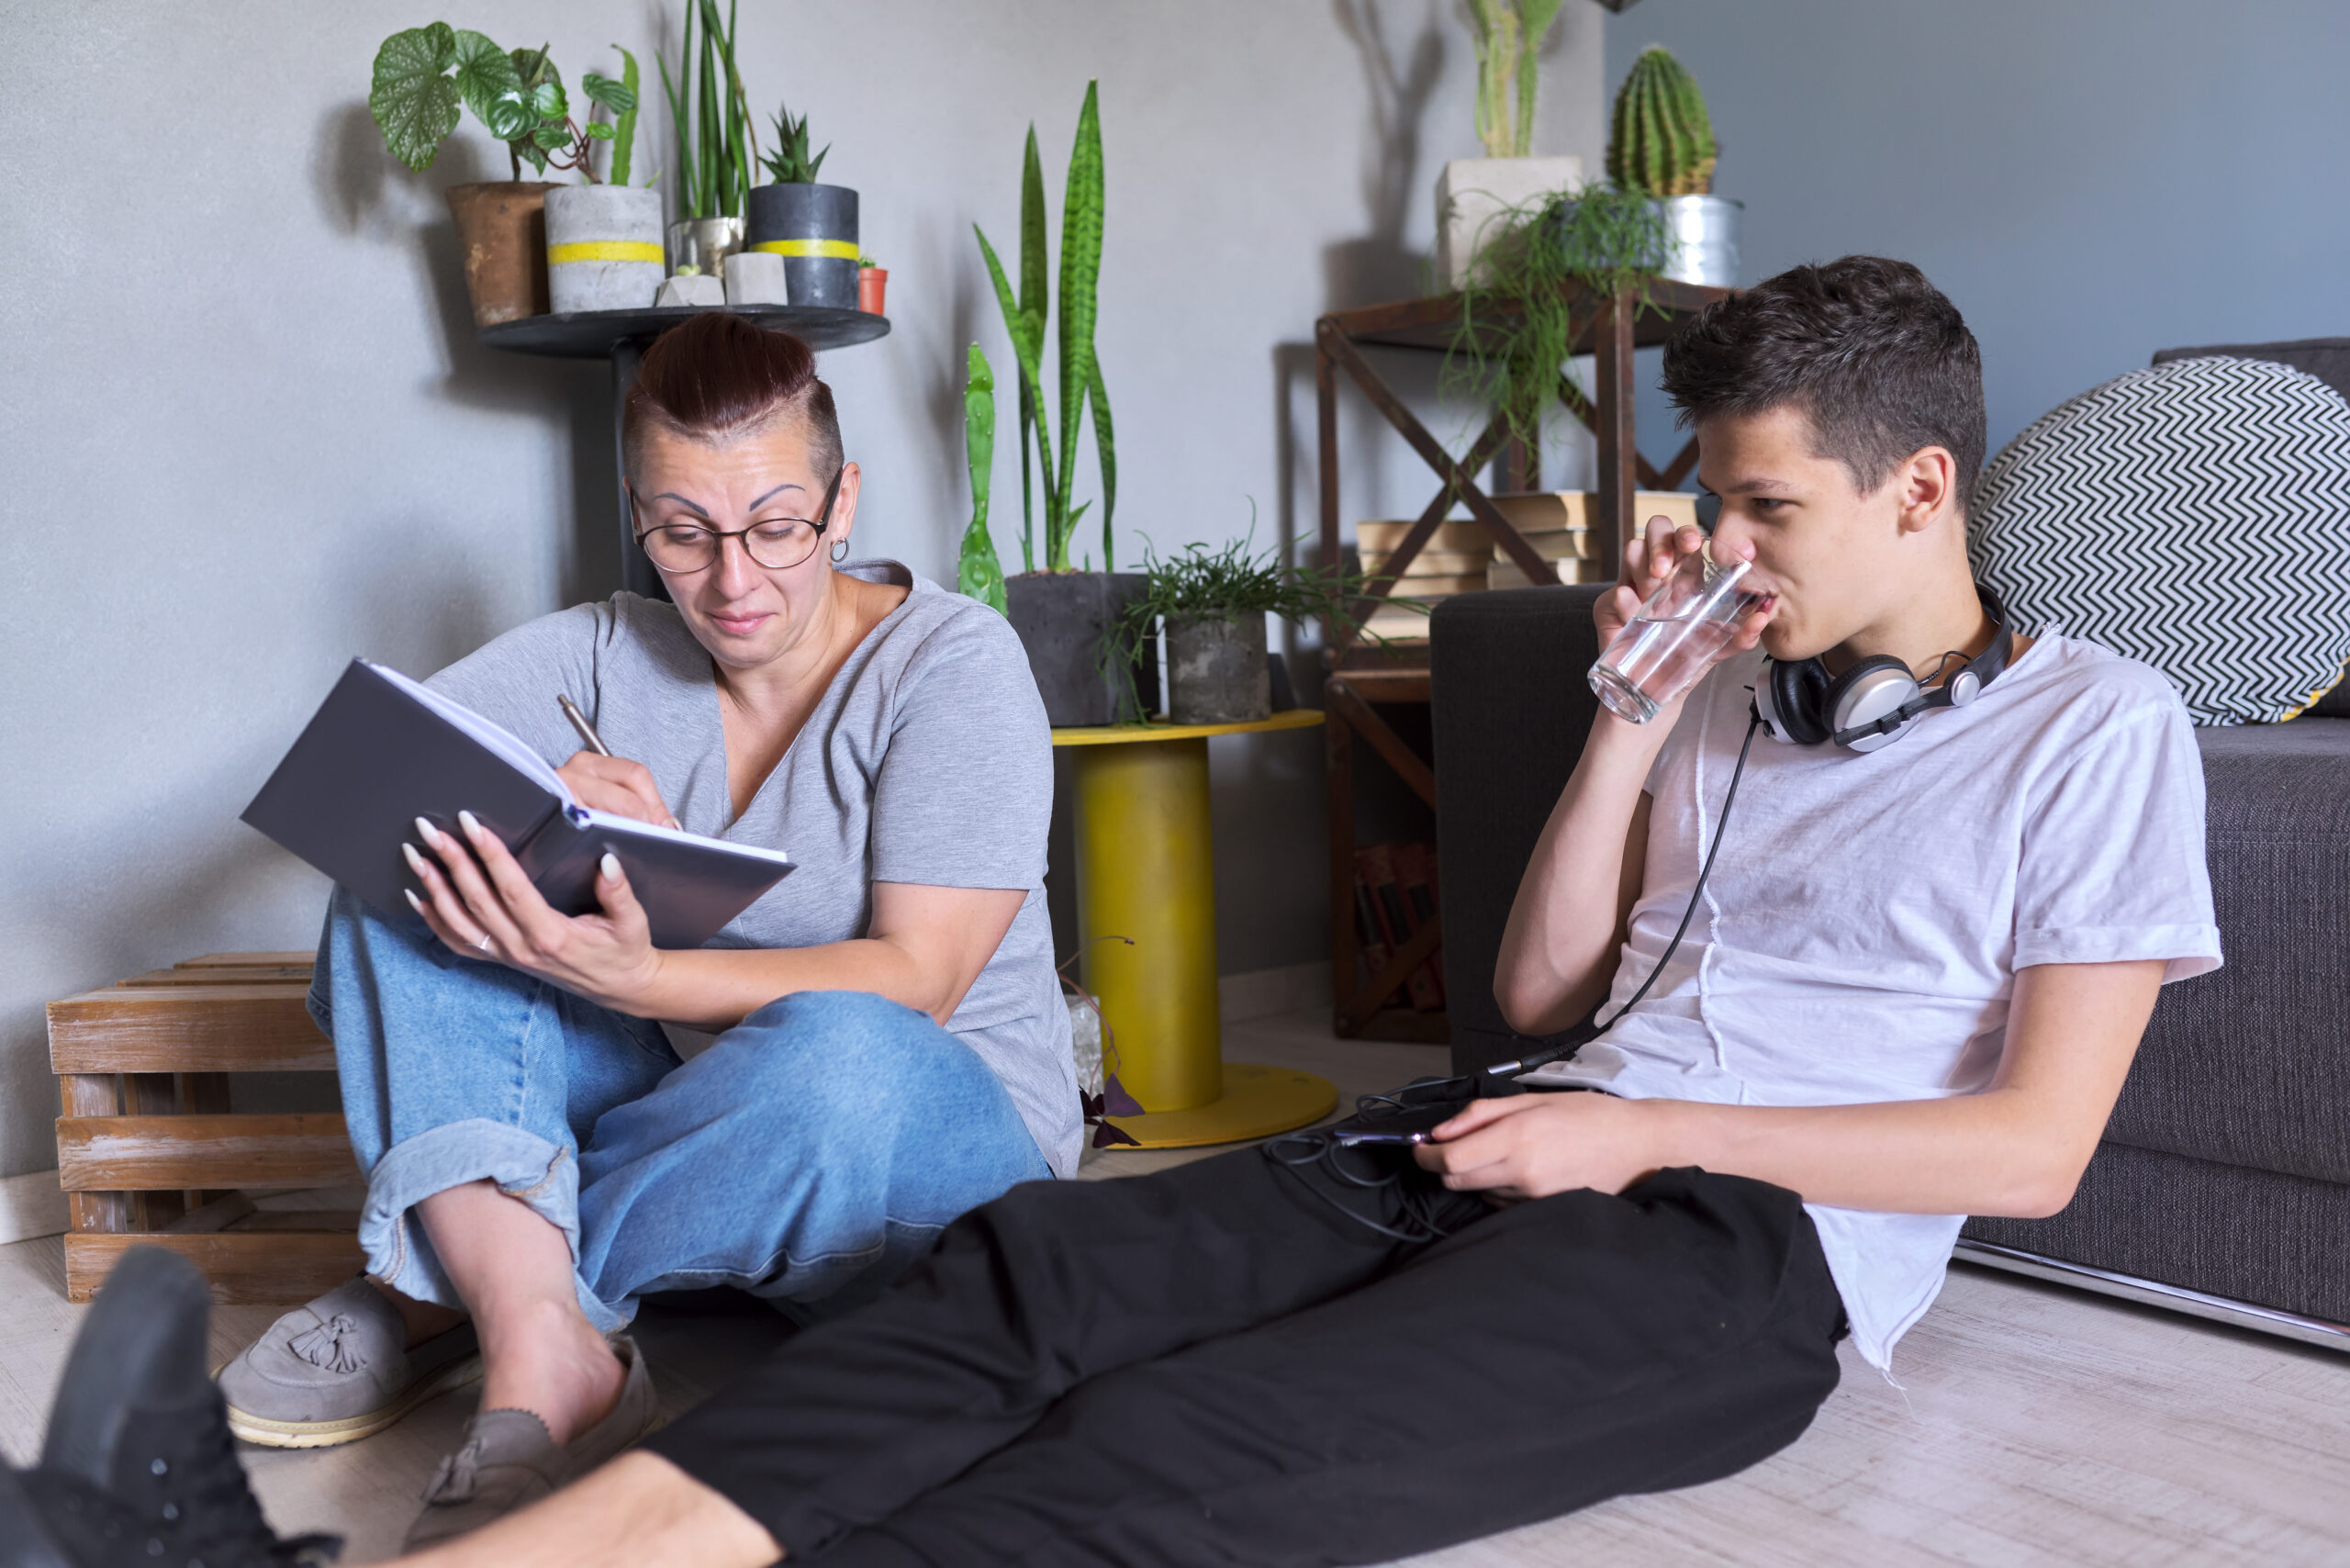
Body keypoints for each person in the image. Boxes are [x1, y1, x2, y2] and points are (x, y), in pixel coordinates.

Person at [10, 257, 2220, 1568]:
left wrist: (1636, 1134)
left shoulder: (2094, 732)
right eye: (1711, 506)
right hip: (1478, 1126)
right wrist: (1633, 726)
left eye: (1764, 511)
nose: (1726, 554)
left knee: (1169, 1456)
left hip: (1737, 1243)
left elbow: (2025, 1149)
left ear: (1922, 488)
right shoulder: (1737, 689)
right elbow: (1542, 992)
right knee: (1015, 1284)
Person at [209, 312, 1080, 1549]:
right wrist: (539, 806)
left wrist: (641, 968)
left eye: (777, 527)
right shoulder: (610, 649)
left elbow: (919, 982)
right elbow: (374, 775)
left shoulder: (951, 663)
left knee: (847, 1054)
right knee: (407, 884)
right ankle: (541, 1359)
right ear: (639, 513)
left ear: (843, 504)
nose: (733, 582)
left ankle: (445, 1280)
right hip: (698, 1113)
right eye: (685, 532)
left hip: (932, 1153)